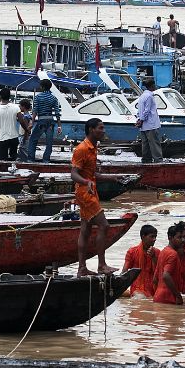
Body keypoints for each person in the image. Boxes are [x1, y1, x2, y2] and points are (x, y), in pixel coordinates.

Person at [71, 118, 115, 276]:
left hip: (90, 190)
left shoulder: (93, 148)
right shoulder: (82, 149)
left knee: (86, 230)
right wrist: (86, 182)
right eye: (101, 128)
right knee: (104, 225)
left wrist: (113, 178)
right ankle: (102, 265)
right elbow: (73, 174)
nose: (103, 131)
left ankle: (82, 268)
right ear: (91, 129)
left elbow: (92, 174)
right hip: (85, 193)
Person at [27, 79, 62, 162]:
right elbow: (57, 113)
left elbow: (35, 110)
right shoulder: (54, 98)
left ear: (42, 87)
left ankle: (31, 159)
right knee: (49, 142)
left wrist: (32, 122)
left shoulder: (38, 97)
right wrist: (60, 126)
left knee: (33, 140)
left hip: (41, 120)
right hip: (50, 121)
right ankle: (46, 160)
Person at [0, 88, 28, 160]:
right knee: (14, 157)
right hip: (14, 137)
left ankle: (3, 170)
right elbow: (21, 121)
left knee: (3, 158)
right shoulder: (16, 107)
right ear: (9, 96)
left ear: (0, 97)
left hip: (3, 138)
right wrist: (26, 130)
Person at [153, 224, 185, 305]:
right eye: (179, 237)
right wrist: (178, 296)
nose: (182, 240)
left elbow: (155, 279)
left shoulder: (163, 251)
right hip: (168, 298)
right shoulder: (173, 254)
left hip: (158, 297)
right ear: (170, 238)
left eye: (183, 237)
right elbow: (165, 275)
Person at [122, 224, 159, 298]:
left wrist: (154, 257)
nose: (154, 239)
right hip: (138, 289)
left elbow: (159, 274)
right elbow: (124, 272)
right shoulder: (132, 252)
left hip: (153, 289)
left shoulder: (157, 252)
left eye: (155, 237)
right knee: (140, 298)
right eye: (152, 236)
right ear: (143, 237)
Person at [136, 79, 163, 164]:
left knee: (145, 144)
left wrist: (139, 119)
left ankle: (146, 160)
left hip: (144, 126)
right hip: (151, 124)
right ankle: (158, 160)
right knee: (154, 143)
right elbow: (147, 110)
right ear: (152, 86)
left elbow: (139, 110)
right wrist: (142, 120)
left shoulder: (142, 96)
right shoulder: (150, 96)